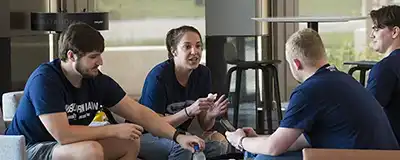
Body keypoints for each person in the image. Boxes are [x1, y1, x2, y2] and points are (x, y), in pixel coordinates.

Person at [5, 22, 205, 160]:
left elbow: (139, 112)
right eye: (93, 57)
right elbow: (63, 135)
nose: (100, 62)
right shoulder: (46, 80)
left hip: (64, 148)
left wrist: (178, 136)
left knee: (130, 144)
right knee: (89, 151)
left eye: (100, 55)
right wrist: (114, 129)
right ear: (71, 55)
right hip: (30, 148)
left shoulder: (95, 79)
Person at [225, 28, 399, 160]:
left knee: (264, 158)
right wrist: (259, 140)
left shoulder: (309, 90)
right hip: (382, 156)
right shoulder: (343, 80)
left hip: (361, 157)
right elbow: (301, 140)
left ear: (296, 63)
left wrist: (240, 141)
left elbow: (273, 148)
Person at [137, 25, 229, 160]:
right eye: (187, 47)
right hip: (145, 135)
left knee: (218, 143)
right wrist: (189, 111)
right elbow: (154, 125)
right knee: (183, 148)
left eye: (198, 46)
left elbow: (204, 125)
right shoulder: (158, 76)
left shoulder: (203, 73)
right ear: (174, 51)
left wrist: (210, 115)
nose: (194, 51)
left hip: (179, 134)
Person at [367, 5, 400, 144]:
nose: (371, 34)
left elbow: (366, 114)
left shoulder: (384, 68)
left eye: (376, 28)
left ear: (395, 32)